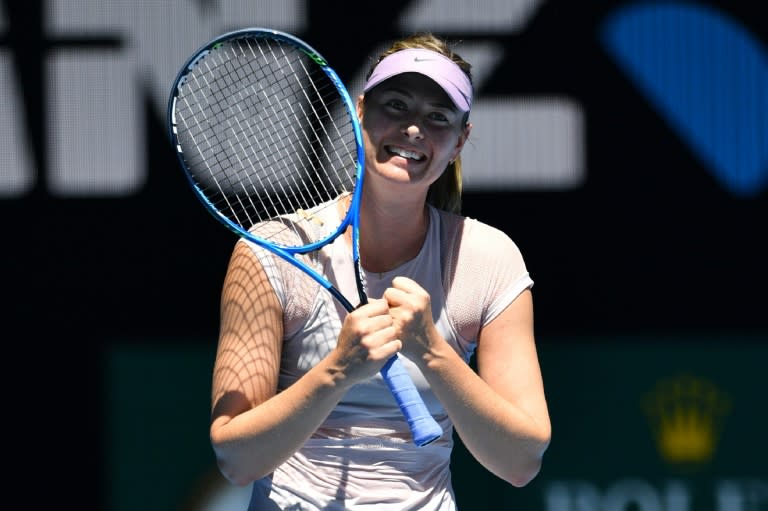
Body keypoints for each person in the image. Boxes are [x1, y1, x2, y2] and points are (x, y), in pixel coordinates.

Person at [209, 32, 551, 510]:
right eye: (397, 105)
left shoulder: (489, 259)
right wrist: (338, 371)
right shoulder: (275, 251)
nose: (414, 129)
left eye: (438, 117)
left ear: (459, 141)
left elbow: (521, 462)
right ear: (360, 112)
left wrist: (432, 351)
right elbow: (236, 459)